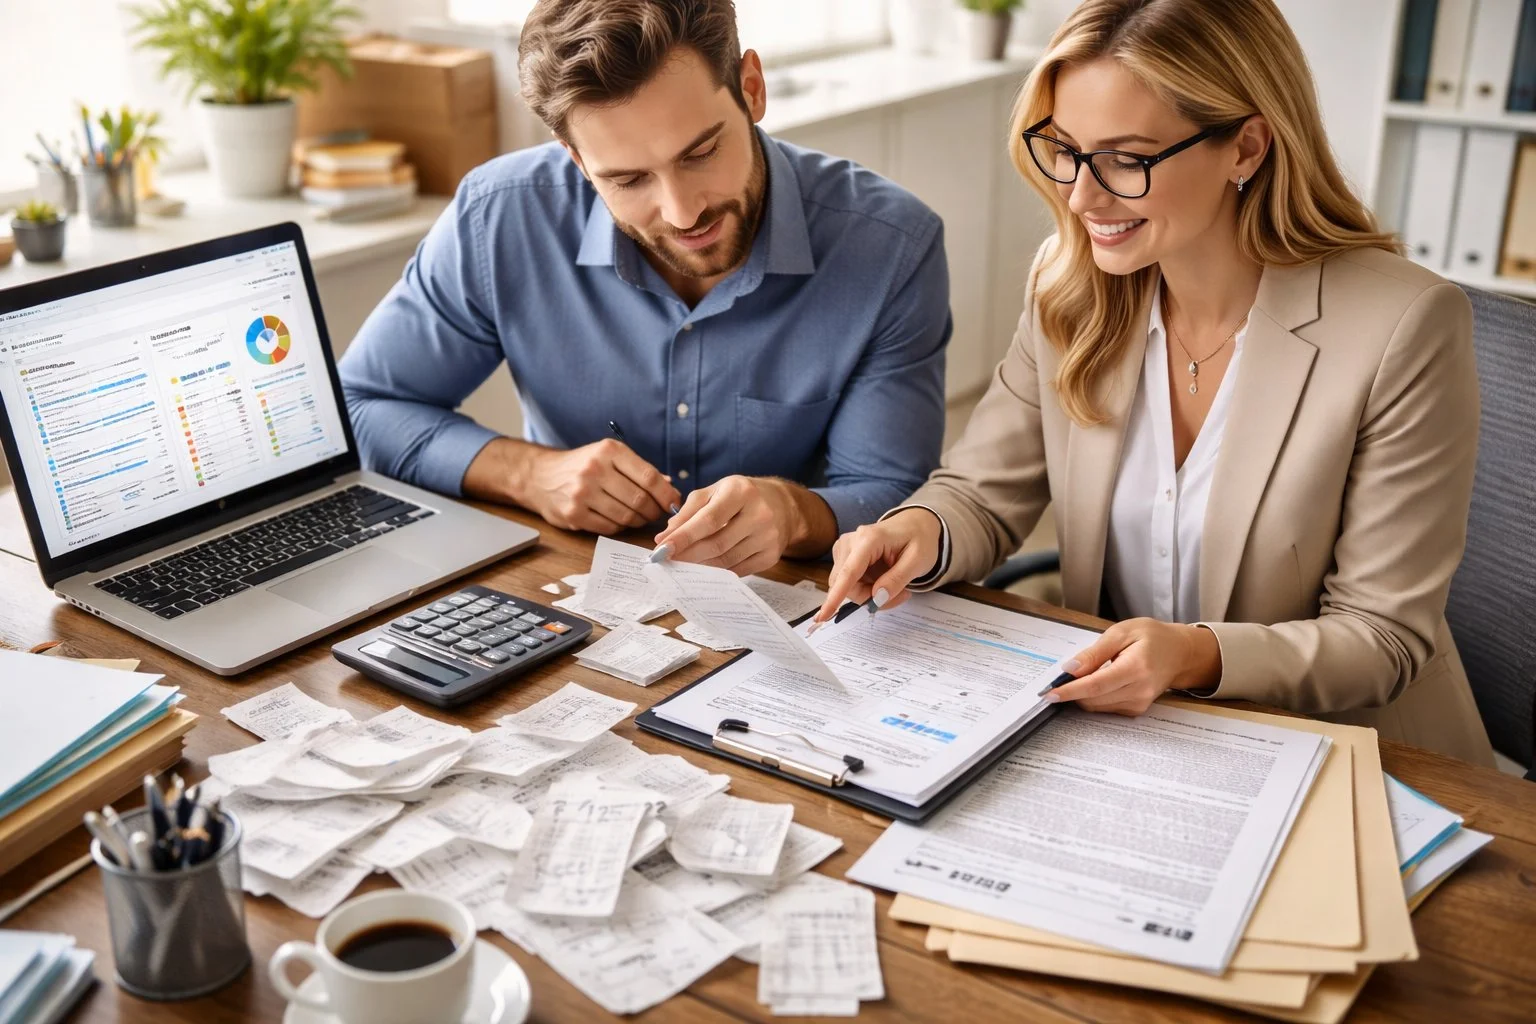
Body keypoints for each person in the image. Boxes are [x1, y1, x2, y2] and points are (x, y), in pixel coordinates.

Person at [814, 0, 1495, 766]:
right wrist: (919, 533)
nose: (1081, 197)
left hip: (1360, 757)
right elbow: (980, 492)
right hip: (1135, 743)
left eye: (1125, 159)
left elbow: (1380, 637)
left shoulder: (1403, 325)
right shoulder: (1071, 284)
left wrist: (1194, 655)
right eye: (1064, 150)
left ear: (1246, 147)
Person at [337, 0, 950, 577]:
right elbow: (364, 406)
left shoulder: (890, 245)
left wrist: (793, 515)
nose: (683, 213)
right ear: (577, 160)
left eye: (702, 152)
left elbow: (894, 495)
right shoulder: (499, 217)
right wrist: (527, 472)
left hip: (791, 607)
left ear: (752, 89)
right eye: (628, 179)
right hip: (565, 600)